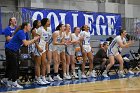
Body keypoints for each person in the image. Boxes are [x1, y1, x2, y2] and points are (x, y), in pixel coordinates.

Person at [5, 22, 40, 88]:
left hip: (14, 50)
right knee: (14, 66)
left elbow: (26, 43)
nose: (30, 27)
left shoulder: (25, 33)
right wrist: (34, 39)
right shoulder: (21, 32)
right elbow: (26, 43)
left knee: (14, 66)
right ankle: (14, 82)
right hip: (10, 50)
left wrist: (34, 39)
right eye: (29, 26)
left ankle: (10, 81)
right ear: (25, 27)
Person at [34, 18, 51, 84]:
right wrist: (38, 47)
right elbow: (35, 40)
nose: (49, 22)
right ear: (45, 22)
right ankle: (38, 79)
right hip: (39, 47)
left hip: (44, 48)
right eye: (48, 21)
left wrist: (46, 47)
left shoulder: (49, 30)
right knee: (38, 64)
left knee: (44, 63)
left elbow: (47, 40)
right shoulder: (40, 29)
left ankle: (43, 77)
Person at [1, 17, 17, 86]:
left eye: (16, 19)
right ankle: (7, 79)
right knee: (10, 64)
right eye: (14, 20)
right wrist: (16, 36)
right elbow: (8, 39)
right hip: (9, 48)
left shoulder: (17, 29)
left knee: (15, 65)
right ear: (10, 21)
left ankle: (9, 79)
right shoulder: (7, 29)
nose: (15, 21)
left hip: (16, 48)